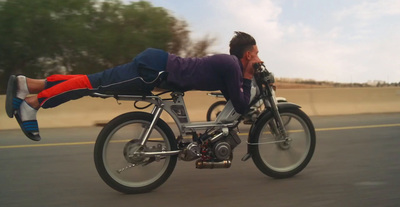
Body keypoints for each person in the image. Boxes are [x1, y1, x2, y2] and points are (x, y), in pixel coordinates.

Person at [5, 31, 262, 141]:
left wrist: (246, 81)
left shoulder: (230, 68)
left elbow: (235, 101)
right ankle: (33, 103)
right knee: (92, 84)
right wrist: (250, 75)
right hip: (153, 71)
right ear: (248, 55)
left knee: (93, 79)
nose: (260, 59)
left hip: (156, 66)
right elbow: (241, 103)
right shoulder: (232, 65)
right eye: (257, 54)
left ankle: (28, 85)